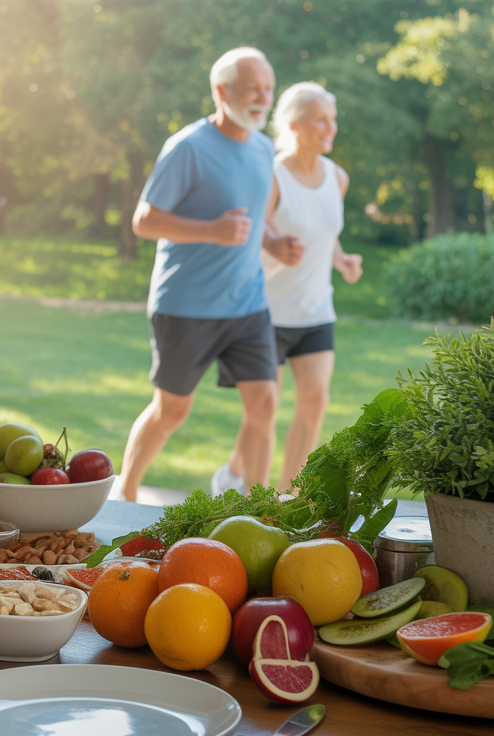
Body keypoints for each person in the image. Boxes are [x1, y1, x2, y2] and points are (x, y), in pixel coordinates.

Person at [118, 47, 279, 501]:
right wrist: (212, 230)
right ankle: (125, 495)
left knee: (264, 405)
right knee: (171, 412)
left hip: (248, 303)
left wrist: (273, 241)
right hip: (186, 305)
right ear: (220, 91)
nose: (262, 98)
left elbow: (251, 221)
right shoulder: (188, 147)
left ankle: (257, 507)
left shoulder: (265, 149)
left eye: (268, 89)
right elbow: (144, 220)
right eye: (252, 88)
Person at [213, 82, 363, 495]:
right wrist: (275, 244)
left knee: (315, 402)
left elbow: (322, 231)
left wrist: (342, 258)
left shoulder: (338, 178)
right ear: (295, 125)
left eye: (332, 120)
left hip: (316, 310)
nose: (330, 128)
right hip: (266, 313)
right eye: (321, 119)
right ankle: (233, 475)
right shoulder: (273, 174)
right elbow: (251, 226)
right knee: (263, 409)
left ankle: (288, 496)